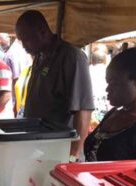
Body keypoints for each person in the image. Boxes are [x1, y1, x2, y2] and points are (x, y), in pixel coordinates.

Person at [15, 10, 94, 162]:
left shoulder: (72, 57)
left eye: (27, 39)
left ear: (42, 31)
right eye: (21, 40)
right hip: (39, 147)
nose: (24, 46)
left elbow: (83, 110)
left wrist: (73, 156)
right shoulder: (39, 56)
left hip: (61, 152)